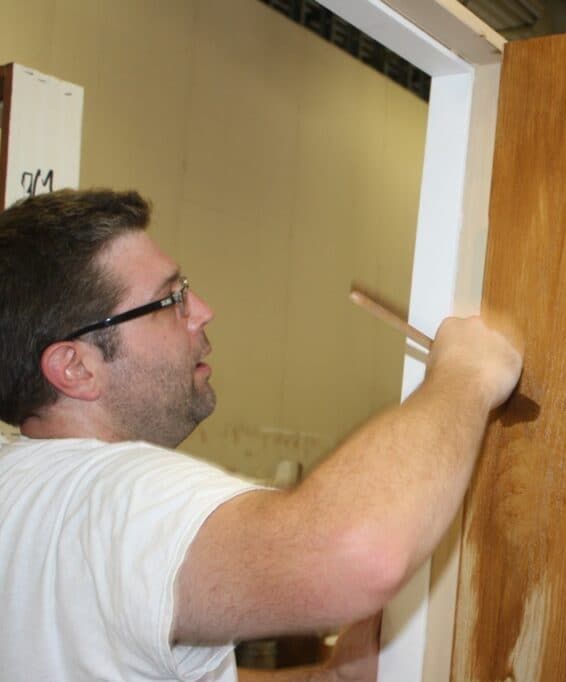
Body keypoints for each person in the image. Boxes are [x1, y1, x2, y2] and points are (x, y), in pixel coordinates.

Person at [0, 189, 523, 681]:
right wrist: (465, 376)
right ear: (75, 367)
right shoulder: (120, 497)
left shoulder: (21, 489)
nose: (202, 311)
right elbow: (358, 554)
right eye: (170, 301)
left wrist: (327, 677)